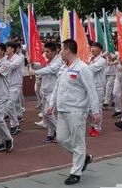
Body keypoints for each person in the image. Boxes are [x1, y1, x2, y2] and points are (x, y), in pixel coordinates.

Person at [46, 39, 99, 185]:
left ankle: (76, 172)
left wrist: (95, 111)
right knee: (61, 138)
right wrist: (52, 104)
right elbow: (57, 87)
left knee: (78, 141)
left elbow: (91, 90)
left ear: (68, 50)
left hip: (77, 110)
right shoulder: (63, 68)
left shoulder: (82, 68)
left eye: (61, 49)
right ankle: (84, 158)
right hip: (63, 109)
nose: (60, 52)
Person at [29, 42, 62, 143]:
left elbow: (50, 70)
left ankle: (59, 132)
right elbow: (41, 66)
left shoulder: (58, 62)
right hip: (45, 91)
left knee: (48, 113)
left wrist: (36, 72)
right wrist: (32, 64)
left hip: (53, 92)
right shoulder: (48, 61)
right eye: (45, 51)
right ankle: (51, 133)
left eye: (48, 51)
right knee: (44, 114)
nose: (46, 53)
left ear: (54, 51)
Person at [4, 41, 25, 135]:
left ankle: (15, 124)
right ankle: (15, 124)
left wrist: (1, 65)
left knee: (9, 105)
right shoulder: (5, 58)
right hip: (7, 85)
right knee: (8, 106)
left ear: (12, 49)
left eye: (7, 47)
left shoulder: (19, 58)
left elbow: (11, 67)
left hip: (16, 85)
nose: (6, 49)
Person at [87, 42, 106, 137]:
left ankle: (97, 128)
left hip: (98, 87)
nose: (92, 49)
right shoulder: (90, 59)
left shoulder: (102, 61)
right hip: (90, 86)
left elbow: (92, 69)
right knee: (89, 108)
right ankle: (93, 124)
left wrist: (81, 68)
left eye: (95, 47)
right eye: (92, 47)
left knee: (97, 108)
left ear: (100, 50)